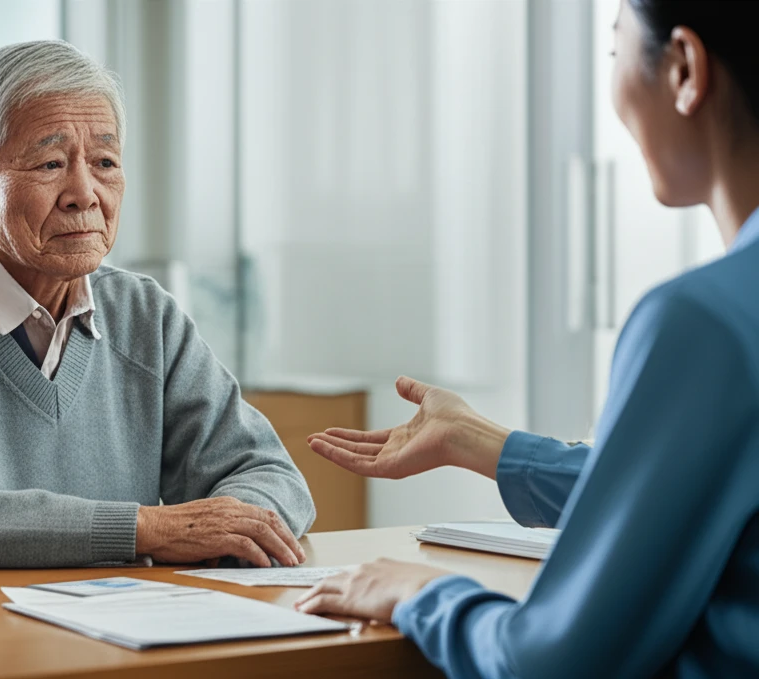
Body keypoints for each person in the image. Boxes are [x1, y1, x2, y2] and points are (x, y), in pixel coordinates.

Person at [296, 1, 759, 676]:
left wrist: (423, 593)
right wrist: (491, 446)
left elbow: (552, 662)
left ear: (685, 68)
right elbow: (681, 501)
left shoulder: (705, 324)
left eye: (613, 52)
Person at [0, 40, 314, 571]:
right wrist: (141, 529)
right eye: (51, 163)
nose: (84, 193)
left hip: (112, 638)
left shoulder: (145, 314)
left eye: (105, 161)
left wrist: (233, 531)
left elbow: (271, 475)